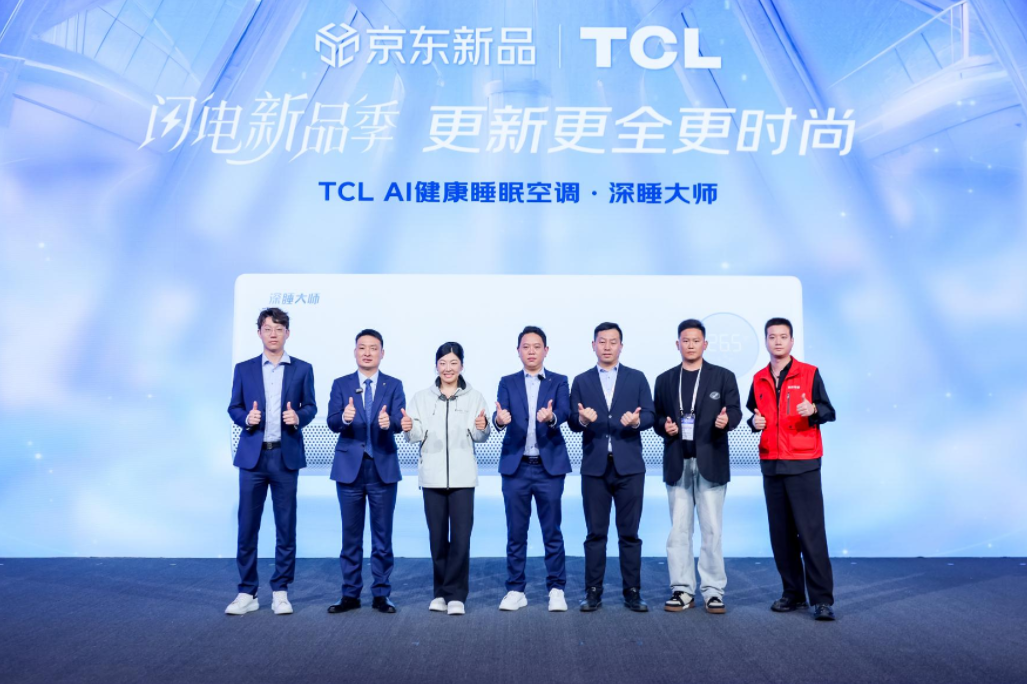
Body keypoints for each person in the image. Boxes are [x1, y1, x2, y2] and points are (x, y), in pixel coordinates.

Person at [225, 307, 316, 616]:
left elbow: (311, 406)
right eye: (268, 329)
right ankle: (246, 592)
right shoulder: (244, 369)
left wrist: (298, 416)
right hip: (253, 458)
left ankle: (281, 591)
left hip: (284, 456)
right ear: (259, 333)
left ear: (287, 333)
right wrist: (246, 418)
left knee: (285, 526)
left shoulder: (302, 369)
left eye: (279, 329)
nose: (273, 334)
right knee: (247, 527)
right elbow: (234, 407)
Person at [746, 317, 838, 621]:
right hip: (772, 464)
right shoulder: (759, 378)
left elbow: (829, 411)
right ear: (766, 341)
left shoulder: (809, 373)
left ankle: (822, 600)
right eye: (772, 337)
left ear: (792, 341)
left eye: (783, 337)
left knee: (810, 534)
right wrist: (753, 423)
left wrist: (813, 410)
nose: (777, 342)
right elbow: (754, 414)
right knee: (781, 536)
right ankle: (793, 593)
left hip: (803, 463)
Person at [653, 319, 741, 614]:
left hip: (711, 461)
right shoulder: (665, 379)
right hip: (677, 462)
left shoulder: (723, 376)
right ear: (677, 344)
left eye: (695, 340)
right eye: (685, 340)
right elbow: (657, 418)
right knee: (678, 531)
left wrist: (727, 421)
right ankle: (682, 589)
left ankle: (713, 591)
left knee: (712, 530)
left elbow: (735, 411)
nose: (690, 345)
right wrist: (664, 426)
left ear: (705, 344)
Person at [568, 322, 655, 613]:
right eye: (602, 341)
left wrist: (637, 421)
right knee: (595, 533)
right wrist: (582, 420)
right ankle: (593, 591)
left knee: (629, 533)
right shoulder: (581, 380)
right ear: (593, 345)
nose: (607, 346)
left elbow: (650, 414)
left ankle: (633, 591)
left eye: (613, 341)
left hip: (630, 467)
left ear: (621, 346)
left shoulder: (636, 377)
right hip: (595, 468)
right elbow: (572, 420)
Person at [401, 342, 491, 616]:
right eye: (442, 363)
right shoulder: (421, 398)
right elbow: (414, 435)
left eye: (453, 363)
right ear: (436, 366)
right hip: (432, 477)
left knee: (461, 539)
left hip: (463, 479)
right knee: (438, 539)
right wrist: (408, 428)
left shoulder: (475, 397)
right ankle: (440, 593)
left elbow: (481, 436)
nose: (448, 368)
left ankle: (456, 595)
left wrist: (483, 427)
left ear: (461, 365)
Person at [325, 329, 406, 614]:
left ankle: (381, 594)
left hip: (382, 468)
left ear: (382, 353)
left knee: (382, 538)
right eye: (362, 347)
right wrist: (344, 418)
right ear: (355, 352)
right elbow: (332, 421)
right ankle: (350, 594)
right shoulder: (341, 384)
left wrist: (389, 423)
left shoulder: (393, 385)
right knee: (351, 536)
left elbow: (400, 420)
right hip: (349, 469)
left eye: (374, 348)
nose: (368, 352)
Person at [493, 326, 572, 613]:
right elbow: (499, 414)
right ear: (518, 351)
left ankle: (556, 589)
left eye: (537, 346)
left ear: (545, 351)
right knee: (516, 533)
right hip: (516, 467)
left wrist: (551, 417)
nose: (531, 351)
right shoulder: (507, 381)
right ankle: (516, 590)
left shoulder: (559, 381)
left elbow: (565, 412)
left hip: (548, 468)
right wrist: (499, 420)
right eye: (526, 346)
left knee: (552, 532)